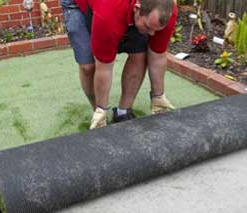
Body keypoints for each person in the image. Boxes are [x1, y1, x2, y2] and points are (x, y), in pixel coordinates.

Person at [60, 0, 177, 129]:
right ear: (137, 9)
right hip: (78, 4)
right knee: (88, 66)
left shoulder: (166, 9)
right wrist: (101, 108)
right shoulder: (108, 14)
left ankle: (123, 112)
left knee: (139, 53)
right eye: (148, 27)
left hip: (119, 8)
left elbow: (158, 55)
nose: (152, 34)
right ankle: (98, 114)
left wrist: (158, 96)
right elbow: (104, 66)